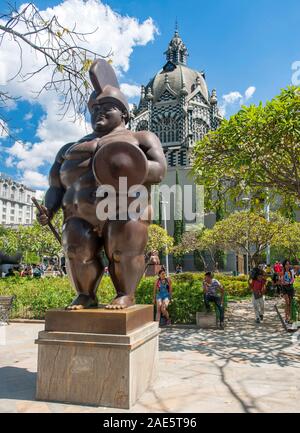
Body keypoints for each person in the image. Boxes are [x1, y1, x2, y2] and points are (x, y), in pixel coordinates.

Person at [280, 259, 295, 324]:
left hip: (290, 287)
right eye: (286, 264)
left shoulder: (291, 271)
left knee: (290, 303)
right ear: (284, 265)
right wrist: (284, 282)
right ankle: (286, 318)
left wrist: (289, 282)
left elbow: (293, 279)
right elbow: (281, 280)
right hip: (285, 288)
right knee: (287, 302)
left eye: (288, 264)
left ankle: (290, 317)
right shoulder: (283, 271)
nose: (287, 265)